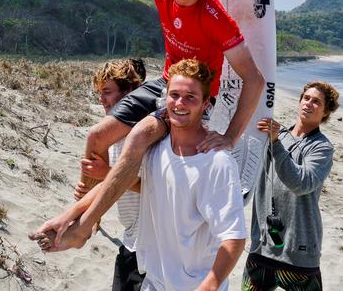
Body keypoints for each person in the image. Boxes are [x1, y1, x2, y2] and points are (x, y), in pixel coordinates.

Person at [39, 0, 264, 251]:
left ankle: (81, 225)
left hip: (192, 96)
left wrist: (230, 138)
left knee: (137, 139)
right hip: (164, 82)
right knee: (96, 136)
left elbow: (254, 78)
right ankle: (88, 216)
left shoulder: (215, 17)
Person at [32, 60, 247, 290]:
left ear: (206, 104)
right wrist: (68, 216)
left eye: (190, 97)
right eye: (174, 95)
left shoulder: (217, 163)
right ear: (164, 99)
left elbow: (233, 238)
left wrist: (210, 286)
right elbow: (119, 181)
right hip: (154, 281)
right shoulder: (155, 149)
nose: (180, 103)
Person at [242, 81, 340, 290]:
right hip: (262, 246)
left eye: (317, 102)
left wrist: (276, 143)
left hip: (299, 251)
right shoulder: (276, 134)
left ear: (326, 112)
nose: (309, 104)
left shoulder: (322, 148)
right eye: (306, 98)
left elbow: (301, 183)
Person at [79, 58, 147, 291]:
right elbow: (112, 186)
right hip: (130, 241)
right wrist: (88, 196)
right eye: (99, 92)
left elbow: (153, 187)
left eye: (107, 91)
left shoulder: (144, 133)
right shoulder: (111, 135)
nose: (101, 99)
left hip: (152, 246)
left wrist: (107, 173)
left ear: (130, 91)